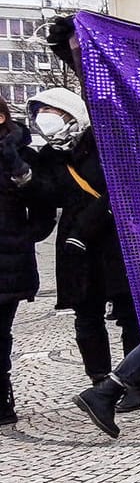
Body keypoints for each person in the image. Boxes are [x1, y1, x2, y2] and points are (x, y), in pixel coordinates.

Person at [34, 87, 140, 437]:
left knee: (131, 313)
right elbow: (45, 196)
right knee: (87, 316)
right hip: (76, 248)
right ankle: (101, 380)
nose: (49, 119)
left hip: (114, 240)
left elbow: (118, 188)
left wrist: (86, 228)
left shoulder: (104, 142)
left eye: (55, 112)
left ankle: (135, 386)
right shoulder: (50, 158)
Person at [0, 100, 55, 425]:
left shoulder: (21, 155)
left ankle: (3, 398)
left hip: (8, 261)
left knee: (0, 333)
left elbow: (45, 202)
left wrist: (25, 237)